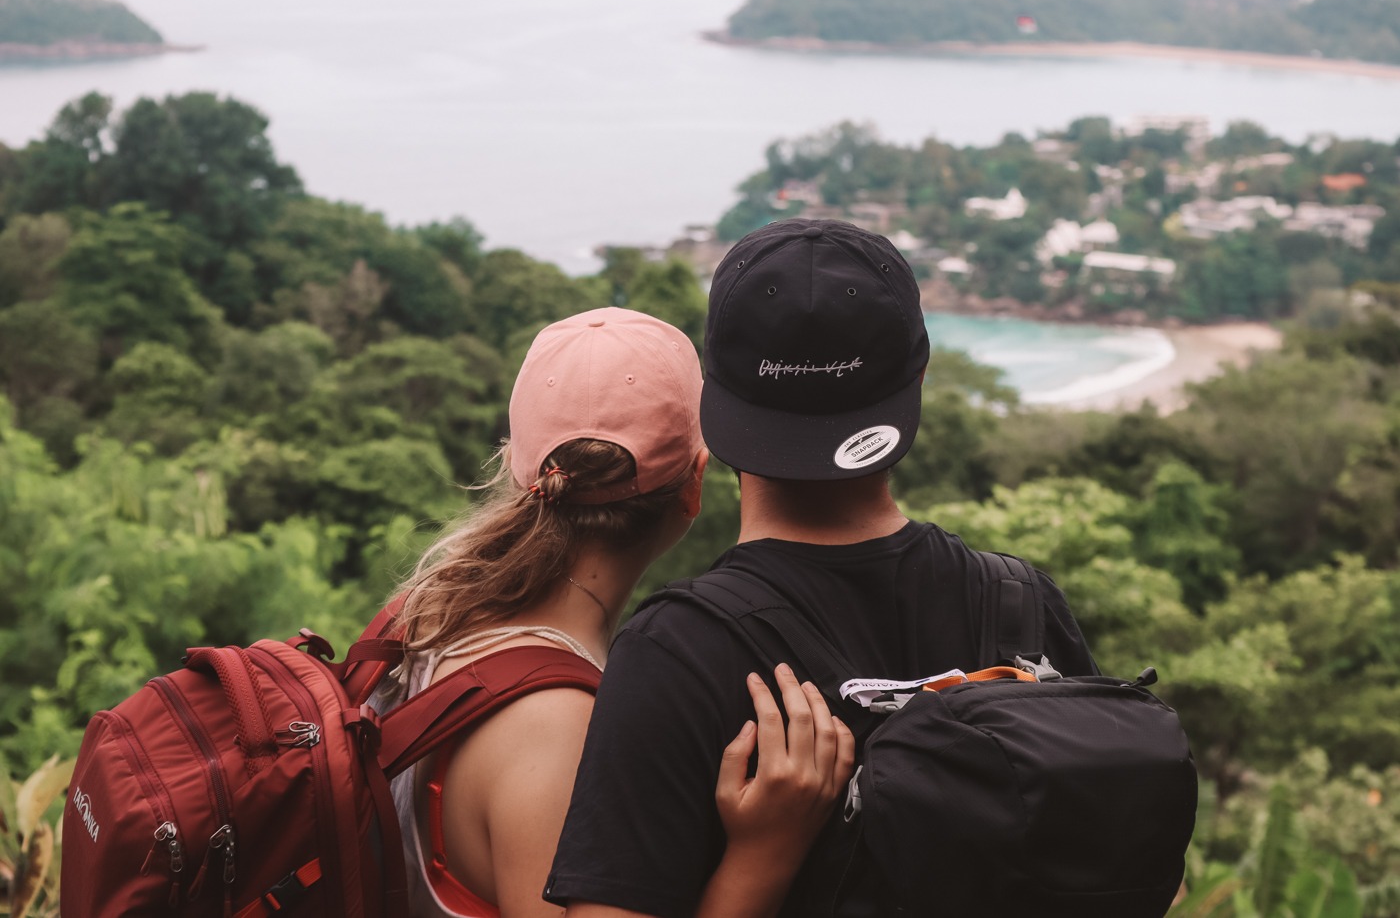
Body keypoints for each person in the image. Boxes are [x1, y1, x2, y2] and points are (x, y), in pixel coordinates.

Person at [545, 219, 1100, 918]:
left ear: (713, 396)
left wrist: (763, 857)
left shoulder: (677, 654)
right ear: (919, 375)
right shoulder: (1024, 605)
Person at [375, 306, 855, 918]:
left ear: (523, 466)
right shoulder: (558, 731)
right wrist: (765, 855)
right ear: (694, 484)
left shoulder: (429, 615)